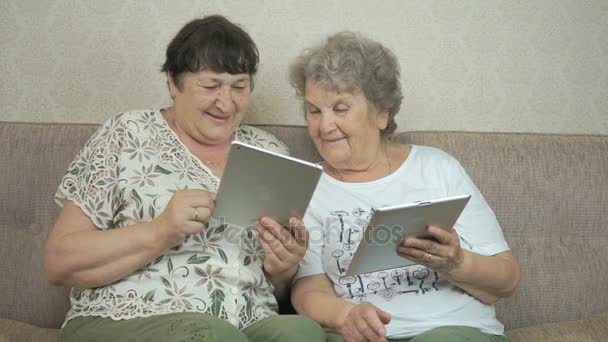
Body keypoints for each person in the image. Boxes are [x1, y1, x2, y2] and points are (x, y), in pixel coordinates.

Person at [44, 15, 325, 342]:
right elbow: (59, 262)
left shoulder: (270, 152)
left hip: (247, 320)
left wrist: (283, 269)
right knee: (212, 334)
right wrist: (160, 230)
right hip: (126, 317)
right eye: (210, 86)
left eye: (239, 87)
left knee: (301, 332)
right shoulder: (127, 134)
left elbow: (275, 289)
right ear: (173, 84)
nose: (226, 102)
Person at [289, 31, 521, 342]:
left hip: (450, 331)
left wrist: (457, 262)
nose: (324, 125)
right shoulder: (306, 186)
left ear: (381, 113)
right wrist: (345, 314)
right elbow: (309, 288)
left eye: (340, 108)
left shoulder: (437, 168)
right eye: (314, 111)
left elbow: (506, 279)